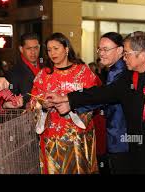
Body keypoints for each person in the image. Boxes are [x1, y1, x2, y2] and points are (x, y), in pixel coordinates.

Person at [46, 31, 145, 174]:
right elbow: (101, 93)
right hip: (138, 157)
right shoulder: (128, 78)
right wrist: (67, 98)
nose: (124, 58)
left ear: (142, 55)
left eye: (126, 54)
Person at [30, 32, 99, 174]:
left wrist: (71, 108)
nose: (52, 53)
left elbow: (95, 99)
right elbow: (33, 100)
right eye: (49, 50)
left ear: (66, 48)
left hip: (78, 137)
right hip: (51, 137)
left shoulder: (83, 72)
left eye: (56, 48)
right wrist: (42, 106)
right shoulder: (43, 75)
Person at [77, 32, 129, 174]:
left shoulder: (120, 72)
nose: (101, 53)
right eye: (99, 49)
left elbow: (104, 97)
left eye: (106, 49)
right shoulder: (114, 70)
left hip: (122, 138)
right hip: (117, 137)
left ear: (119, 50)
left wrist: (72, 103)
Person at [5, 33, 43, 108]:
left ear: (39, 47)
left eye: (36, 48)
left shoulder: (46, 67)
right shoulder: (13, 73)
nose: (33, 52)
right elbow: (10, 101)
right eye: (29, 48)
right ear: (21, 49)